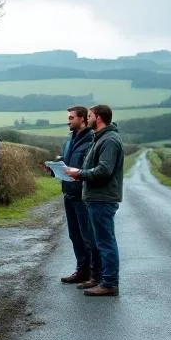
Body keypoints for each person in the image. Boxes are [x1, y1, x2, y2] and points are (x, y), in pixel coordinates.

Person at [66, 104, 124, 296]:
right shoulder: (101, 138)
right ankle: (101, 279)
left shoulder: (109, 140)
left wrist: (79, 173)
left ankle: (109, 283)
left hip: (102, 197)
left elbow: (104, 170)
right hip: (95, 197)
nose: (88, 118)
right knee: (101, 241)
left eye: (89, 115)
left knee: (105, 242)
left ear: (98, 117)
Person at [55, 106, 98, 285]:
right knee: (74, 235)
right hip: (69, 193)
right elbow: (67, 165)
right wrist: (54, 170)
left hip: (83, 195)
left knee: (88, 236)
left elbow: (89, 169)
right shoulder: (69, 140)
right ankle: (82, 271)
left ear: (82, 119)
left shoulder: (91, 141)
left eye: (71, 117)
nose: (68, 120)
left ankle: (95, 274)